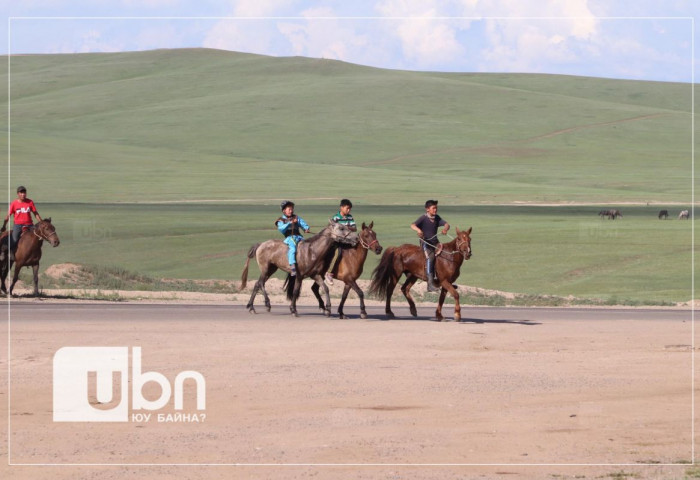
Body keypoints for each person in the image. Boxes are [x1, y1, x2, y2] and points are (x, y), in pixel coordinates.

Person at [410, 199, 449, 292]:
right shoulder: (423, 218)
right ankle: (430, 284)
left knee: (444, 256)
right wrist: (419, 230)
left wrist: (445, 229)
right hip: (426, 243)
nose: (435, 210)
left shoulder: (437, 218)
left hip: (436, 243)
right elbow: (412, 225)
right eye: (433, 208)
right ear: (427, 209)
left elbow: (447, 224)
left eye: (436, 208)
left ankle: (445, 280)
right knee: (430, 258)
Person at [1, 186, 43, 260]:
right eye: (21, 193)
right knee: (14, 239)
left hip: (30, 225)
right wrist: (4, 225)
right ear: (18, 194)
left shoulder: (30, 202)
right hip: (18, 225)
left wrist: (41, 223)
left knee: (39, 237)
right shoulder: (14, 203)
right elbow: (8, 215)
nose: (23, 194)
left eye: (24, 192)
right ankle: (4, 251)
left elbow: (35, 213)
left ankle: (35, 255)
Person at [325, 199, 357, 285]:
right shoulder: (336, 217)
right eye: (347, 208)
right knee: (338, 253)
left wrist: (346, 227)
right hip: (338, 241)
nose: (349, 210)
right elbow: (331, 229)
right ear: (341, 207)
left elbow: (354, 228)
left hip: (348, 240)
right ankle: (329, 273)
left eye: (350, 209)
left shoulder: (350, 217)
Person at [276, 200, 310, 276]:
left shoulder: (296, 217)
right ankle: (292, 266)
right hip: (289, 238)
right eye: (289, 209)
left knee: (308, 246)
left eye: (292, 209)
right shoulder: (281, 220)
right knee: (293, 249)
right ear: (284, 210)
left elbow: (302, 223)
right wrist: (289, 223)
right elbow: (281, 229)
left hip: (299, 237)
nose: (291, 211)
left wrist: (306, 228)